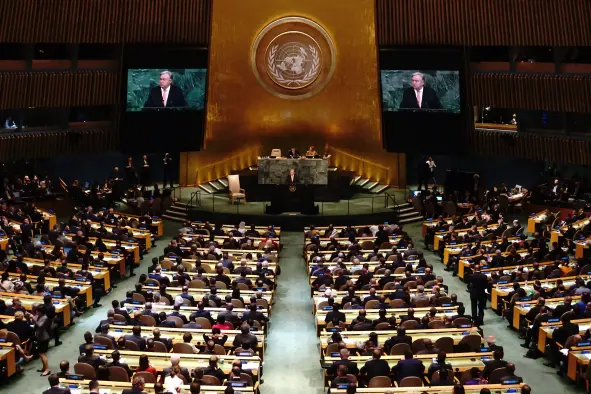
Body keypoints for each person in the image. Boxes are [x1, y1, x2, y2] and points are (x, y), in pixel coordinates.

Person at [33, 304, 51, 376]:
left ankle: (47, 369)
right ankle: (44, 367)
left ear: (41, 311)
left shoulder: (45, 317)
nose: (36, 311)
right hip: (39, 337)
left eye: (37, 310)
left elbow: (40, 326)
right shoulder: (39, 316)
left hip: (44, 338)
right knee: (41, 354)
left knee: (42, 354)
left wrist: (34, 319)